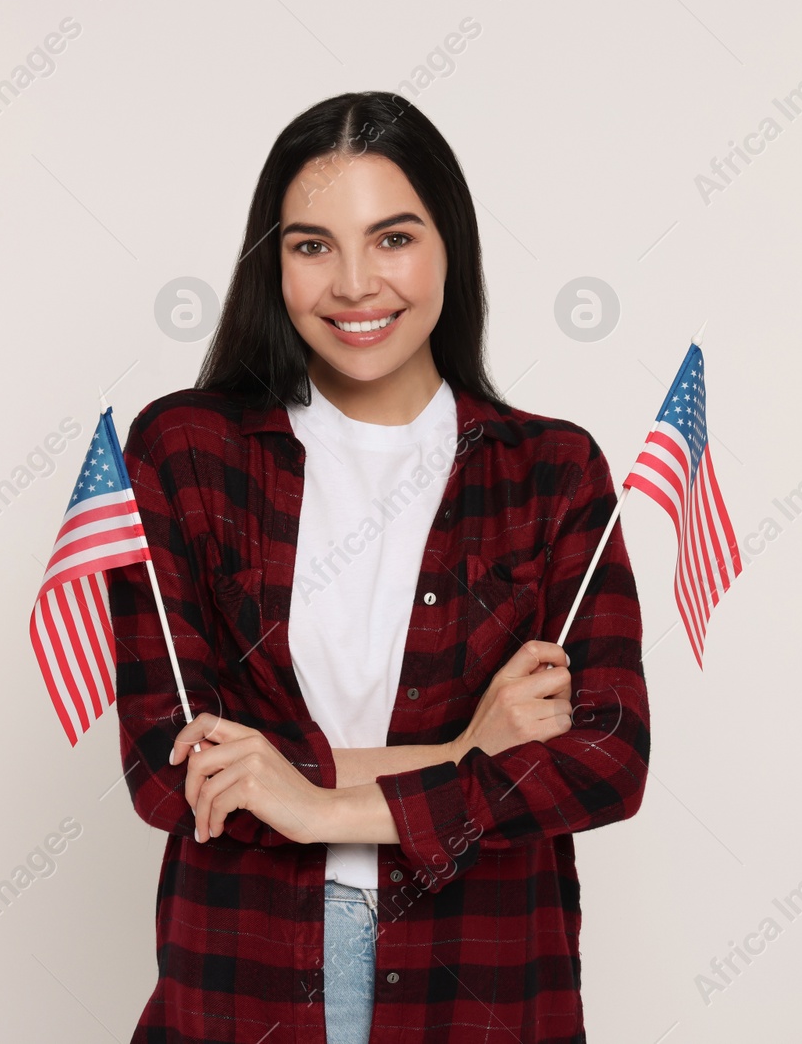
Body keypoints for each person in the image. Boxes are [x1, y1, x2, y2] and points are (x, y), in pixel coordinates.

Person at [108, 91, 649, 1044]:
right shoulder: (185, 452)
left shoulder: (552, 472)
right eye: (312, 246)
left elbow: (606, 759)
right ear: (272, 263)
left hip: (482, 978)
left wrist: (310, 802)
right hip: (246, 976)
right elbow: (169, 769)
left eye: (392, 238)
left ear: (451, 248)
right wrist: (467, 753)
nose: (355, 283)